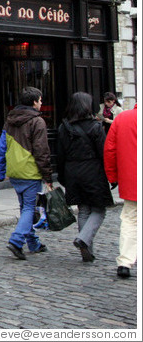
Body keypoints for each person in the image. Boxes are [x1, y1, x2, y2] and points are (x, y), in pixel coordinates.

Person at [0, 86, 53, 260]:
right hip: (30, 172)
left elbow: (1, 147)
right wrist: (48, 176)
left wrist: (0, 171)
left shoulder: (10, 120)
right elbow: (42, 151)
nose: (41, 103)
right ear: (34, 102)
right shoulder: (37, 122)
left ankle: (33, 242)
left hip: (15, 171)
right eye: (40, 100)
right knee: (29, 208)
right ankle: (16, 240)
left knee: (25, 208)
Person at [56, 92, 114, 262]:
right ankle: (84, 240)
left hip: (72, 171)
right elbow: (104, 153)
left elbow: (60, 154)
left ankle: (87, 249)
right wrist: (111, 175)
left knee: (83, 210)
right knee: (99, 209)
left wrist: (62, 175)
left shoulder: (63, 127)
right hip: (92, 171)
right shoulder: (95, 127)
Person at [104, 104, 137, 279]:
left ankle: (125, 261)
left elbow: (110, 150)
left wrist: (113, 176)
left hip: (132, 180)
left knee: (130, 220)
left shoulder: (123, 118)